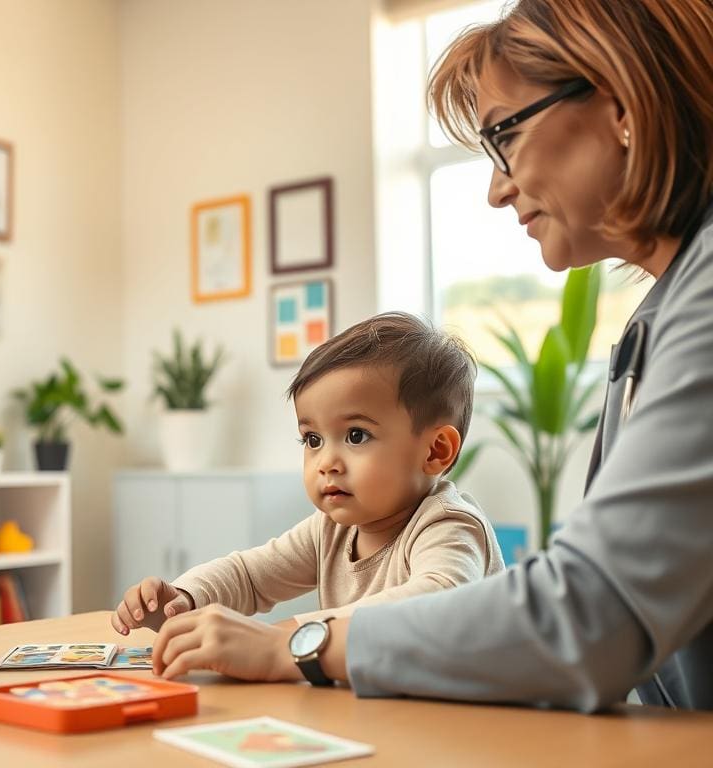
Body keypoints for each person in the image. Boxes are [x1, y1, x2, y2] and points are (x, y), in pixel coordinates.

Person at [149, 0, 713, 712]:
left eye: (505, 137)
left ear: (623, 103)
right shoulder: (667, 312)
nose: (496, 187)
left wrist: (297, 644)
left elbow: (590, 614)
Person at [112, 313, 504, 653]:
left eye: (356, 436)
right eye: (312, 440)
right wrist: (184, 597)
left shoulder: (448, 525)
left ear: (436, 451)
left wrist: (296, 636)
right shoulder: (332, 530)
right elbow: (249, 576)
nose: (326, 463)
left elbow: (436, 601)